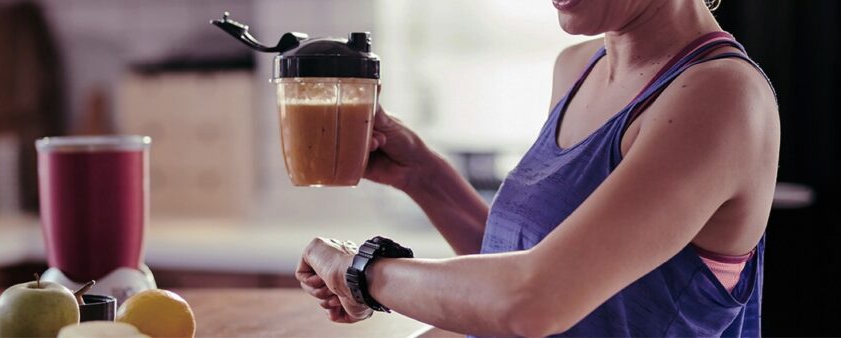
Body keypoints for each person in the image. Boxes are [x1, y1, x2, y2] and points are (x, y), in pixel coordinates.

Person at [295, 0, 779, 336]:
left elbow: (535, 301)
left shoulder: (720, 95)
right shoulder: (578, 66)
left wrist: (362, 272)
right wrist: (422, 174)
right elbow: (538, 263)